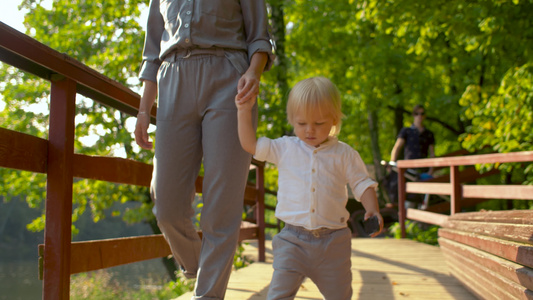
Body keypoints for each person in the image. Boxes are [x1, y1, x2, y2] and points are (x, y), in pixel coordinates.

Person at [134, 1, 274, 299]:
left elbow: (259, 36)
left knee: (222, 201)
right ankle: (205, 269)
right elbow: (151, 51)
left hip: (230, 78)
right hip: (172, 80)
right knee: (166, 204)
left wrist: (254, 72)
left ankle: (207, 293)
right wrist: (144, 110)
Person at [236, 76, 384, 300]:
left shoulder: (344, 154)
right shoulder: (284, 148)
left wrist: (372, 209)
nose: (309, 130)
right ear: (292, 120)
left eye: (319, 123)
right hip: (292, 241)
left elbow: (362, 184)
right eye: (302, 123)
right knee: (278, 295)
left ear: (334, 120)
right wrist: (243, 111)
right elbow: (250, 144)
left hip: (333, 244)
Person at [390, 104, 435, 178]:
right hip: (408, 171)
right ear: (413, 115)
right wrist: (392, 164)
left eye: (422, 113)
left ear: (425, 115)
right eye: (417, 113)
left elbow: (432, 153)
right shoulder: (406, 131)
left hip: (424, 170)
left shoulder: (429, 134)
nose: (419, 116)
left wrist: (431, 171)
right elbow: (396, 147)